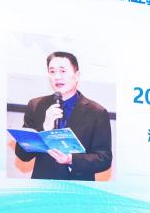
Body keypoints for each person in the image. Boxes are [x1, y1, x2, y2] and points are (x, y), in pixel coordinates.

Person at [14, 51, 112, 181]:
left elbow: (104, 159)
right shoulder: (36, 105)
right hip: (43, 186)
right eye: (52, 71)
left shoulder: (96, 112)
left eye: (63, 71)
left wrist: (71, 159)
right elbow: (22, 155)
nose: (57, 77)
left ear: (77, 75)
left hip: (77, 188)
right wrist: (44, 128)